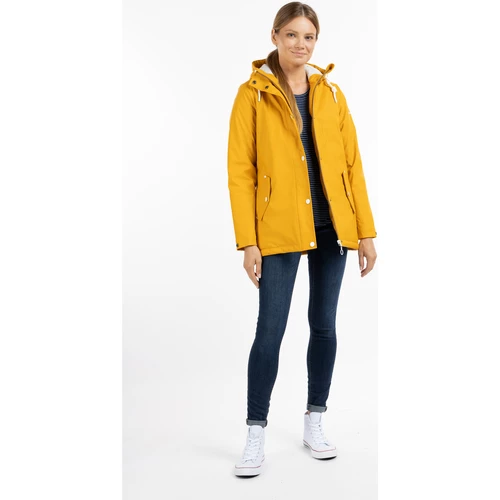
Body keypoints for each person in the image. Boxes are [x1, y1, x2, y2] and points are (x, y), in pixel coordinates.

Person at [227, 2, 377, 477]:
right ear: (274, 36)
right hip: (279, 229)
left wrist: (366, 231)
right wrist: (248, 241)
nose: (300, 44)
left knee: (324, 326)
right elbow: (241, 172)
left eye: (309, 37)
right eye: (291, 34)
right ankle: (255, 431)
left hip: (333, 227)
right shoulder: (252, 95)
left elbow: (352, 166)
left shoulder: (331, 93)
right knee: (269, 331)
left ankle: (315, 419)